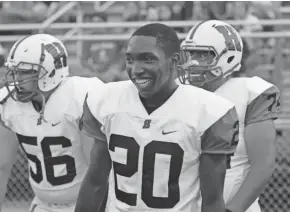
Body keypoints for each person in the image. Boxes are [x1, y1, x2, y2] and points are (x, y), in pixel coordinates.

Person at [75, 23, 239, 212]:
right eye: (130, 59)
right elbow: (95, 180)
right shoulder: (107, 100)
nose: (136, 70)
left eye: (148, 59)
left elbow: (212, 201)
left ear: (174, 61)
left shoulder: (208, 111)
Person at [178, 20, 280, 212]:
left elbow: (262, 165)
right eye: (191, 53)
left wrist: (232, 210)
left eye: (203, 54)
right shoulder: (178, 92)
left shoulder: (249, 94)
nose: (193, 61)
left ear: (228, 57)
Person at [0, 33, 105, 212]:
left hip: (87, 204)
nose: (17, 79)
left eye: (25, 71)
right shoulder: (10, 104)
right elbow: (1, 166)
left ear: (51, 71)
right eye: (15, 71)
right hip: (42, 205)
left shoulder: (79, 98)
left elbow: (98, 172)